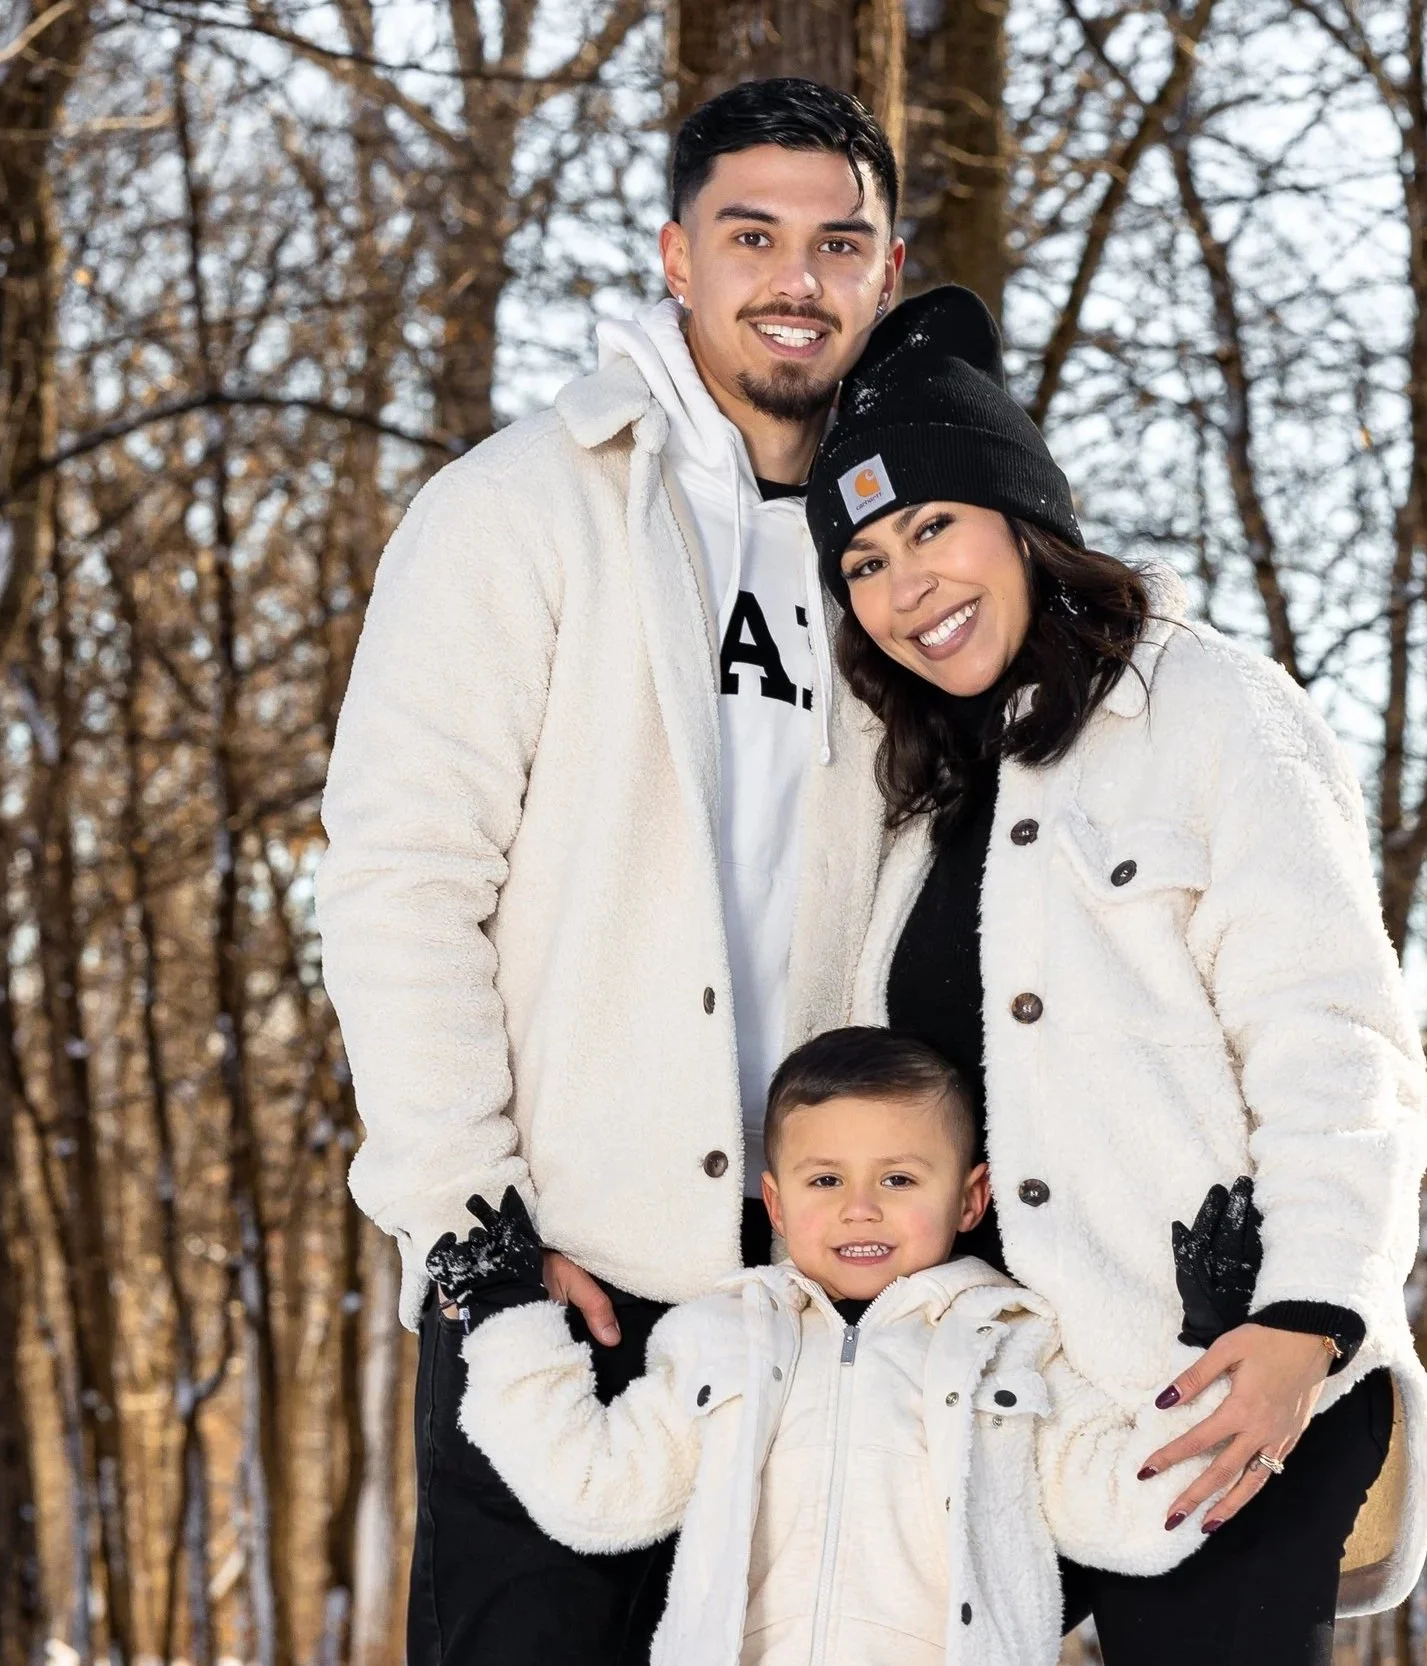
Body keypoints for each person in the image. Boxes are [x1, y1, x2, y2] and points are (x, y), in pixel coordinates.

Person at [315, 79, 904, 1665]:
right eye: (753, 235)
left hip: (830, 1300)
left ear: (889, 272)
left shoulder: (916, 559)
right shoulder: (517, 512)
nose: (798, 278)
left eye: (838, 242)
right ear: (676, 256)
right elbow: (399, 885)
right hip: (567, 1292)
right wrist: (475, 1233)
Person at [807, 285, 1427, 1666]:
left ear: (1022, 516)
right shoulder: (917, 802)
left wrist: (1308, 1316)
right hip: (1003, 1403)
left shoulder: (1210, 711)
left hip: (1224, 1375)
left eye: (931, 526)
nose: (906, 584)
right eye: (861, 562)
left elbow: (1336, 1036)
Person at [432, 1026, 1264, 1666]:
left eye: (899, 1179)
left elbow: (1137, 1520)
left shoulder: (1016, 1348)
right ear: (778, 1202)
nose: (859, 1208)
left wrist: (1206, 1339)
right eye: (825, 1180)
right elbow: (593, 1492)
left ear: (972, 1198)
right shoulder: (716, 1337)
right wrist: (508, 1320)